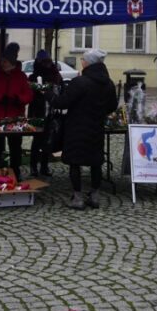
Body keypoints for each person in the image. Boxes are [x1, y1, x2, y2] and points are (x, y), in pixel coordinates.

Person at [51, 49, 118, 209]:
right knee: (96, 162)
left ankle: (78, 198)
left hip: (77, 128)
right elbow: (112, 106)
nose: (81, 61)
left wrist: (49, 95)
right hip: (97, 127)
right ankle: (94, 195)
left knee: (75, 162)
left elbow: (63, 102)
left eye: (83, 59)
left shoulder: (80, 82)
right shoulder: (108, 83)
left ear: (87, 62)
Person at [0, 43, 34, 180]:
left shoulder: (21, 76)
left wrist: (18, 99)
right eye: (2, 61)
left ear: (12, 62)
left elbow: (28, 95)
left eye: (5, 61)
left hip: (15, 118)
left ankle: (15, 172)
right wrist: (0, 97)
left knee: (15, 147)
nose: (3, 63)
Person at [28, 49, 63, 177]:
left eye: (48, 61)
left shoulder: (56, 75)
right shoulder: (34, 77)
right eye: (44, 62)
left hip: (52, 112)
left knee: (49, 140)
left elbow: (62, 91)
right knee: (37, 141)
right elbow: (30, 96)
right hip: (37, 112)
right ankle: (33, 166)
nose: (47, 64)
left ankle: (44, 165)